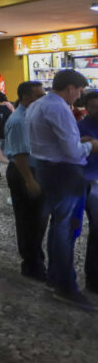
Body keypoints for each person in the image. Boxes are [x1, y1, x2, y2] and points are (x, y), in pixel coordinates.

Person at [28, 69, 96, 310]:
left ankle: (55, 278)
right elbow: (73, 152)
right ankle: (66, 287)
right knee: (66, 230)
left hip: (47, 170)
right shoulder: (59, 108)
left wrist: (80, 144)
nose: (79, 95)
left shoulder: (38, 105)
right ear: (70, 87)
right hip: (65, 173)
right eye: (79, 90)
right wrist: (91, 146)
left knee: (58, 226)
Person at [4, 80, 47, 282]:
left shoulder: (32, 116)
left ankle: (36, 259)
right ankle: (32, 264)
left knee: (38, 220)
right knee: (28, 220)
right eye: (39, 95)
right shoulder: (19, 121)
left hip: (33, 170)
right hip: (24, 172)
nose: (43, 98)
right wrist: (30, 180)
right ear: (26, 97)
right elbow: (20, 154)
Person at [75, 90, 98, 293]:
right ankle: (93, 278)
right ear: (87, 107)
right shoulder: (80, 127)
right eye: (93, 107)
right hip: (89, 182)